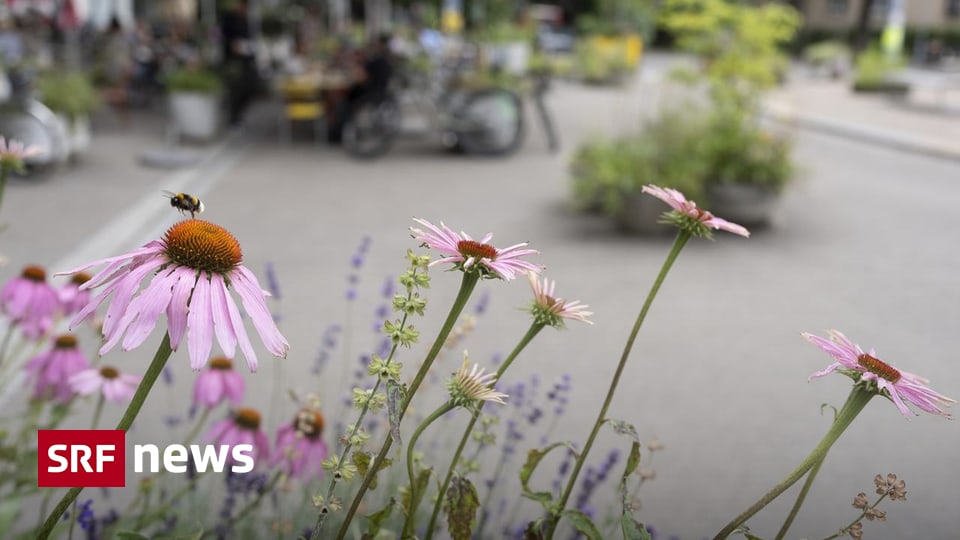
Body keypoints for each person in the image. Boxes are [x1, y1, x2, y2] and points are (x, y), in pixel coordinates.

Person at [328, 33, 395, 144]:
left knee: (341, 103)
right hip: (380, 93)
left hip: (369, 95)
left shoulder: (376, 59)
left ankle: (339, 133)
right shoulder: (387, 58)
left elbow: (361, 77)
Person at [220, 0, 257, 127]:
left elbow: (249, 39)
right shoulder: (229, 18)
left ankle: (237, 115)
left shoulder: (245, 20)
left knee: (251, 87)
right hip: (233, 61)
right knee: (235, 90)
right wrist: (233, 45)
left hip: (246, 61)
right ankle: (233, 118)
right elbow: (225, 38)